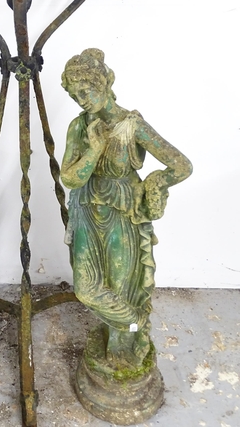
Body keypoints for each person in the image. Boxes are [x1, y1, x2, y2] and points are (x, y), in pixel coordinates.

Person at [61, 48, 192, 368]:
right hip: (87, 213)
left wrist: (156, 184)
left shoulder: (132, 125)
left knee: (120, 289)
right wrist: (93, 150)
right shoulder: (80, 128)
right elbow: (69, 178)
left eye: (86, 90)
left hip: (122, 216)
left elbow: (181, 165)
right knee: (87, 290)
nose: (82, 100)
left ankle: (125, 343)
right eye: (75, 95)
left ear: (103, 84)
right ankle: (136, 324)